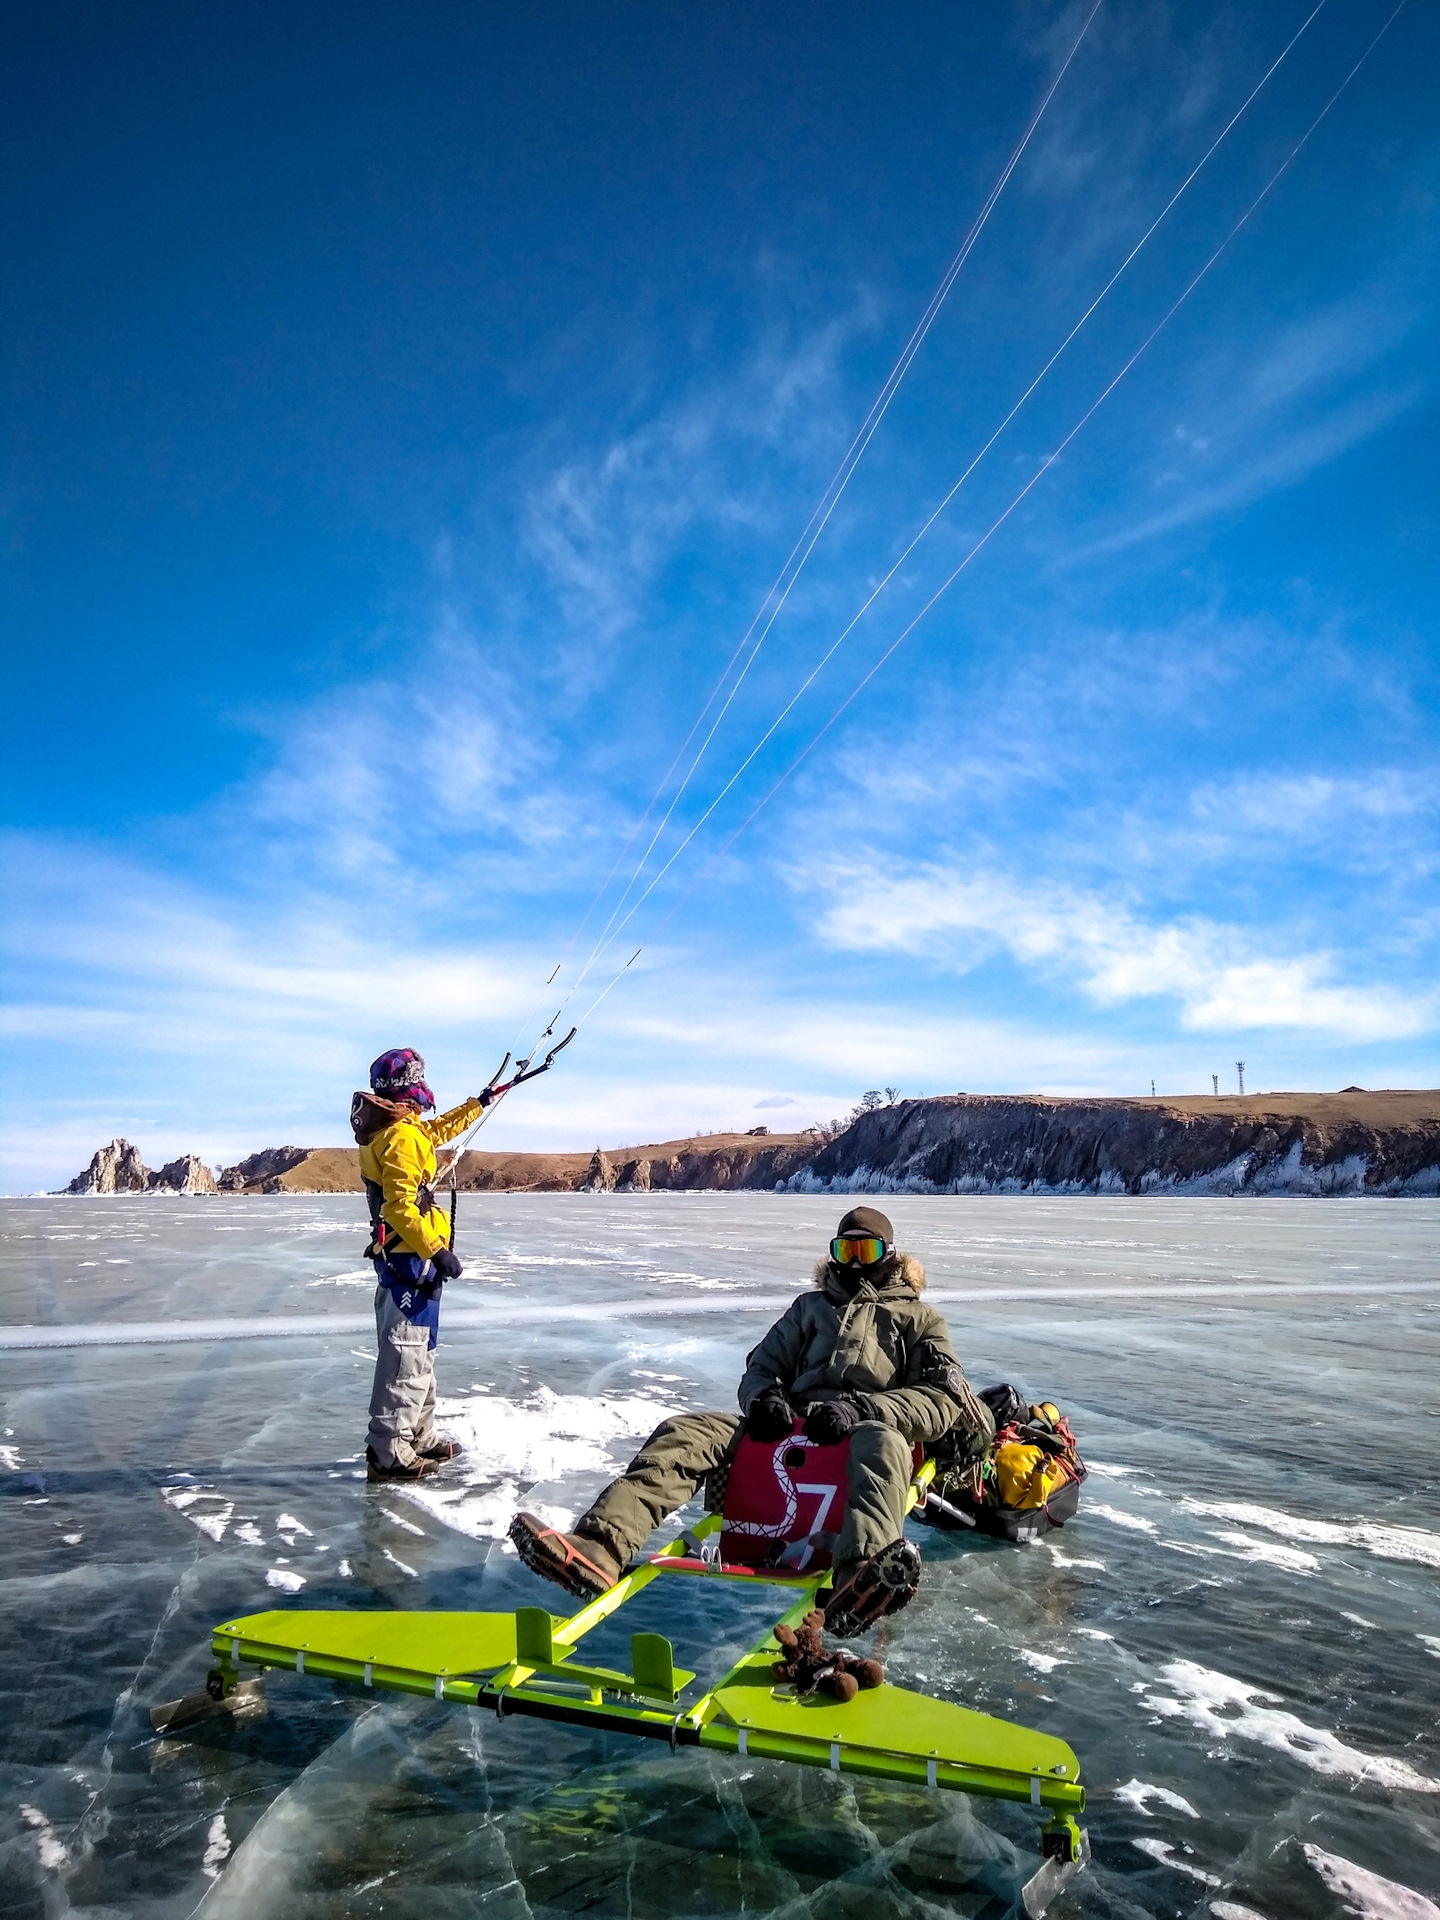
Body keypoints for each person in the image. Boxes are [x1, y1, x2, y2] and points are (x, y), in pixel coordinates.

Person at [510, 1206, 994, 1630]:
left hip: (865, 1426)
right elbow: (762, 1366)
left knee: (883, 1445)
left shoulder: (919, 1320)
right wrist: (765, 1399)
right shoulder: (809, 1309)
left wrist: (864, 1408)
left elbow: (939, 1397)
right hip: (792, 1425)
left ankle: (860, 1575)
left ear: (889, 1255)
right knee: (687, 1431)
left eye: (865, 1251)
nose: (852, 1263)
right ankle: (601, 1546)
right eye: (843, 1251)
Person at [352, 1048, 490, 1483]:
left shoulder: (405, 1129)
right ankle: (388, 1451)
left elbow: (435, 1129)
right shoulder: (401, 1137)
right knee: (405, 1355)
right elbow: (400, 1209)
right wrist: (437, 1251)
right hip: (408, 1260)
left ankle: (419, 1435)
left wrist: (479, 1104)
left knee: (421, 1352)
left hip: (412, 1260)